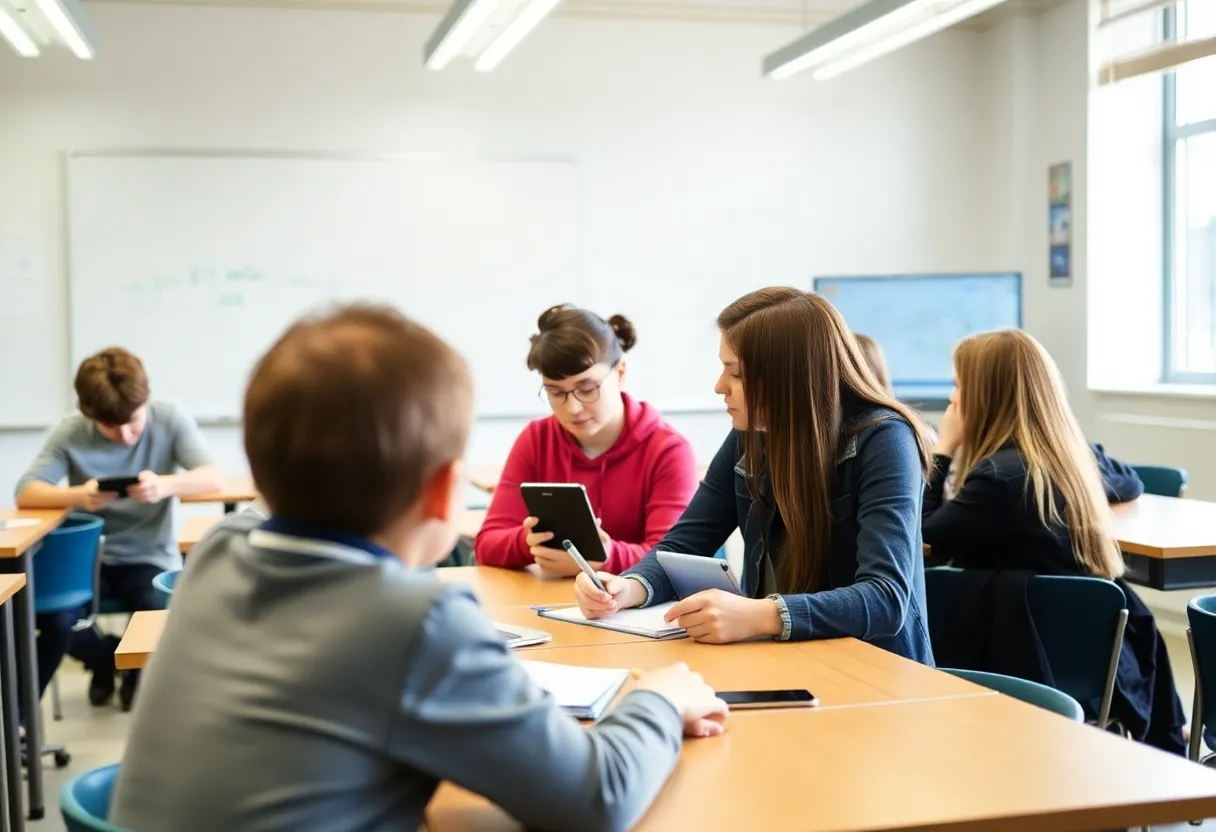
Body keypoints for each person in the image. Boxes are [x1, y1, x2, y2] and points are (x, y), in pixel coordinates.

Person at [110, 304, 728, 831]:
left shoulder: (220, 549)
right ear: (443, 491)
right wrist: (659, 700)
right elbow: (600, 797)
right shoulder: (417, 623)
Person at [573, 288, 934, 662]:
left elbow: (885, 599)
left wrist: (761, 614)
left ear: (789, 379)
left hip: (877, 672)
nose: (719, 386)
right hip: (781, 659)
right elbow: (684, 543)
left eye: (736, 373)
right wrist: (627, 587)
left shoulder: (887, 440)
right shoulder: (751, 434)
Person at [921, 329, 1185, 753]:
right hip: (1094, 664)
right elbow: (1128, 479)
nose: (952, 399)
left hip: (1019, 659)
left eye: (957, 385)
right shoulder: (1067, 458)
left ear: (986, 396)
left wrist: (944, 448)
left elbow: (926, 530)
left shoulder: (999, 478)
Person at [15, 347, 223, 710]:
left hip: (148, 554)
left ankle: (133, 679)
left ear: (146, 401)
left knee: (155, 612)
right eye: (112, 426)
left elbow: (212, 477)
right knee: (54, 618)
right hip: (89, 561)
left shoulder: (169, 418)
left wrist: (164, 486)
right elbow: (26, 491)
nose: (126, 435)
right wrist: (79, 496)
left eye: (134, 422)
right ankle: (104, 660)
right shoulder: (70, 431)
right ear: (89, 414)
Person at [476, 305, 698, 575]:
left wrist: (607, 558)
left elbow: (670, 559)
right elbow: (486, 544)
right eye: (555, 393)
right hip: (544, 603)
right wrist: (530, 542)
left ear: (621, 372)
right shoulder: (536, 439)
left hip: (632, 611)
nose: (572, 408)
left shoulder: (668, 449)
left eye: (587, 389)